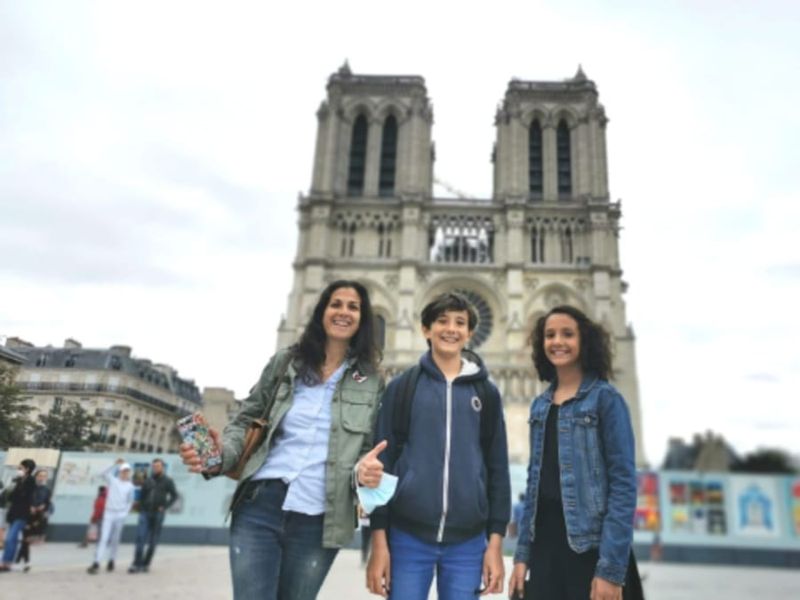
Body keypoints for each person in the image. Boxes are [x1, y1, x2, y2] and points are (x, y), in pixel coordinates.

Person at [180, 280, 385, 600]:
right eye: (336, 304)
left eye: (353, 307)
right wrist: (221, 456)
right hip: (260, 504)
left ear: (364, 319)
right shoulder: (286, 363)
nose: (343, 312)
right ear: (321, 312)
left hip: (321, 517)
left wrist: (364, 471)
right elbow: (248, 418)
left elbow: (366, 449)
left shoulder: (373, 380)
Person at [366, 292, 511, 599]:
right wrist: (379, 542)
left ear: (470, 332)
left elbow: (498, 469)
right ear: (425, 329)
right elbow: (384, 465)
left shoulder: (486, 393)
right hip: (407, 537)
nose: (451, 329)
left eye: (460, 322)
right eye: (442, 321)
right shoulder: (401, 388)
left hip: (468, 542)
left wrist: (495, 543)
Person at [508, 305, 637, 600]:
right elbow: (534, 487)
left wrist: (610, 569)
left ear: (584, 341)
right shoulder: (540, 406)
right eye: (550, 335)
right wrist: (522, 556)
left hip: (590, 549)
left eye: (568, 334)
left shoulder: (606, 400)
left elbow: (623, 486)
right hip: (546, 550)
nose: (557, 341)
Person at [128, 458, 178, 573]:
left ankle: (146, 564)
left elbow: (174, 496)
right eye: (154, 466)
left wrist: (164, 507)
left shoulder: (168, 481)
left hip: (158, 514)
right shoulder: (148, 480)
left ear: (163, 467)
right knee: (140, 537)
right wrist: (140, 507)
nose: (155, 468)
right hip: (145, 513)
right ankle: (136, 564)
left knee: (152, 541)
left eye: (158, 466)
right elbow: (142, 496)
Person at [88, 459, 135, 574]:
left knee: (115, 539)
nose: (125, 473)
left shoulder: (130, 486)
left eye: (127, 471)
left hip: (120, 515)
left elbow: (130, 502)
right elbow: (102, 473)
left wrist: (125, 513)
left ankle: (112, 560)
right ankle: (96, 562)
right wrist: (114, 464)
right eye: (123, 471)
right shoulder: (113, 481)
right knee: (103, 538)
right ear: (120, 472)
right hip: (109, 513)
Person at [0, 459, 37, 572]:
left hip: (23, 514)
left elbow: (26, 497)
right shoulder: (17, 480)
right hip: (14, 513)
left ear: (27, 469)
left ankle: (5, 562)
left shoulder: (30, 481)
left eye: (20, 468)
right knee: (12, 539)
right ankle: (7, 563)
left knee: (11, 538)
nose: (18, 470)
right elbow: (10, 497)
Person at [16, 469, 54, 572]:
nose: (42, 478)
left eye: (44, 476)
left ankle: (20, 558)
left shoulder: (47, 490)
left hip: (38, 518)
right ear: (36, 476)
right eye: (40, 475)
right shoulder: (30, 488)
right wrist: (30, 506)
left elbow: (49, 504)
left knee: (26, 540)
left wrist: (43, 507)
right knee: (26, 539)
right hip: (27, 516)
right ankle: (26, 562)